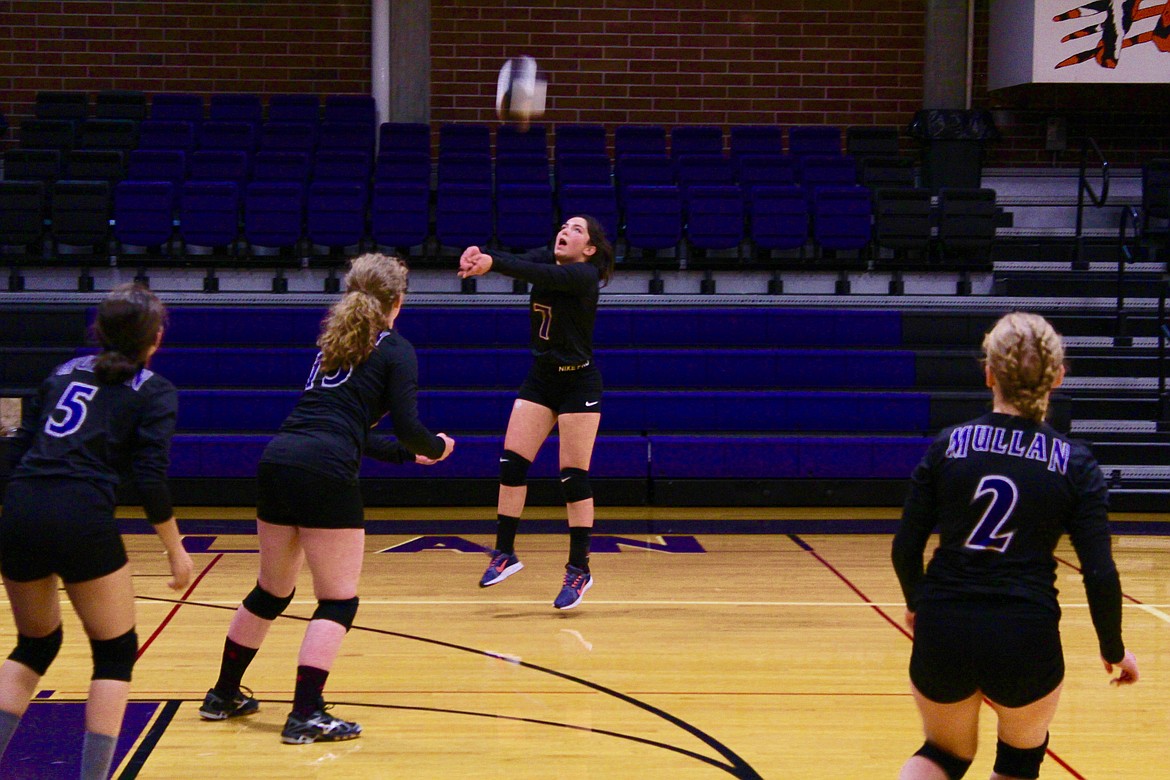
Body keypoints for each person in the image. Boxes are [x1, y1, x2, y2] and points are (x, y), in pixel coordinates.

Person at [200, 253, 454, 744]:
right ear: (397, 302)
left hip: (279, 460)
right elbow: (406, 426)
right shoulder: (396, 348)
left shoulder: (332, 345)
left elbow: (345, 427)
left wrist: (406, 457)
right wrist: (435, 447)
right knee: (338, 601)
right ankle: (306, 714)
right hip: (323, 471)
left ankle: (223, 694)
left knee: (271, 591)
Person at [891, 312, 1139, 780]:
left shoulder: (949, 445)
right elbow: (1100, 573)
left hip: (945, 623)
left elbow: (905, 547)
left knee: (943, 754)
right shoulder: (1075, 463)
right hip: (1026, 634)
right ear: (1058, 377)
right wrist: (1113, 647)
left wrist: (917, 602)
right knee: (1019, 761)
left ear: (989, 374)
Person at [0, 284, 193, 780]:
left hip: (21, 508)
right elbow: (149, 478)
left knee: (35, 644)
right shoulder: (154, 390)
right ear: (155, 338)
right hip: (82, 515)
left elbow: (17, 450)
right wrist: (176, 552)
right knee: (114, 652)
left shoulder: (62, 373)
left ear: (101, 331)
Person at [457, 215, 614, 610]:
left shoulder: (584, 276)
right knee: (512, 464)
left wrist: (494, 264)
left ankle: (580, 569)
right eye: (564, 226)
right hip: (542, 378)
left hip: (579, 382)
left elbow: (527, 270)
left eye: (577, 230)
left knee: (572, 476)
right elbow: (522, 259)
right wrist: (481, 257)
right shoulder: (551, 260)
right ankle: (505, 553)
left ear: (590, 249)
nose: (566, 231)